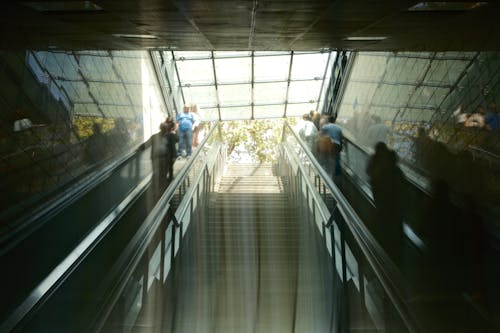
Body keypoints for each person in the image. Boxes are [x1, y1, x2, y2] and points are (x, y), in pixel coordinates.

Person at [150, 122, 169, 197]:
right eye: (163, 128)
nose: (164, 130)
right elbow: (148, 143)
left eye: (165, 129)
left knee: (163, 175)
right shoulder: (155, 136)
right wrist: (140, 148)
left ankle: (162, 191)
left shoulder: (168, 136)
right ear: (161, 128)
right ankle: (156, 191)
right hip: (156, 158)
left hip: (164, 158)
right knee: (157, 174)